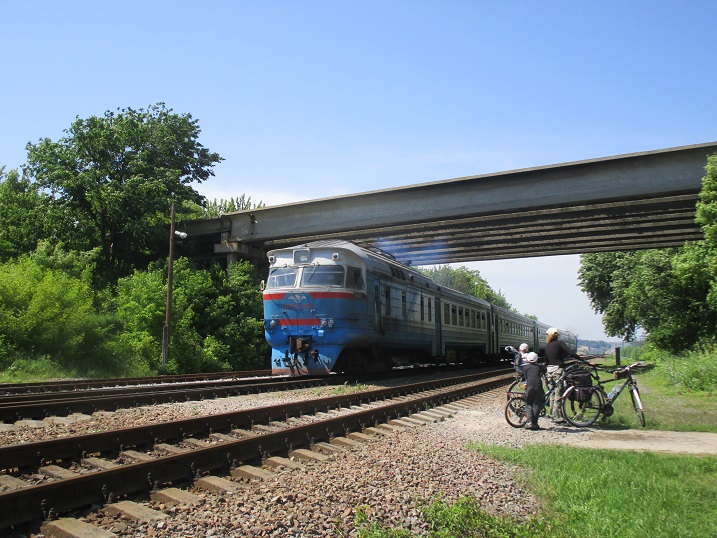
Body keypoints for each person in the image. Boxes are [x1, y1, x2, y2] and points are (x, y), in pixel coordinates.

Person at [544, 327, 580, 422]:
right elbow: (570, 353)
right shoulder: (560, 343)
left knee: (552, 393)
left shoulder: (547, 345)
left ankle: (552, 414)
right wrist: (583, 360)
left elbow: (546, 360)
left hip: (549, 371)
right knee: (558, 393)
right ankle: (557, 416)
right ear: (556, 335)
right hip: (558, 370)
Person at [521, 352, 545, 430]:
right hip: (538, 386)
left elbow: (526, 377)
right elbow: (544, 373)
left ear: (528, 359)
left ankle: (530, 422)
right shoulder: (539, 367)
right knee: (537, 404)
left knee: (529, 403)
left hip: (529, 386)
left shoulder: (525, 368)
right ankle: (535, 423)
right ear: (537, 359)